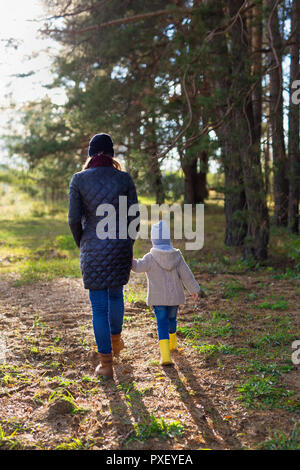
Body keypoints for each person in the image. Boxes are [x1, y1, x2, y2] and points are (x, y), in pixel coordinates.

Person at [68, 133, 139, 379]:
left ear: (91, 154)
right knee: (116, 293)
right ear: (111, 154)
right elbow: (134, 218)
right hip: (120, 244)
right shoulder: (124, 178)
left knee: (98, 306)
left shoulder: (78, 180)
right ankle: (116, 342)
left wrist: (83, 242)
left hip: (93, 248)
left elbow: (73, 219)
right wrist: (127, 244)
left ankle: (106, 365)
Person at [131, 220, 200, 366]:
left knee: (161, 323)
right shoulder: (177, 256)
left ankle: (166, 355)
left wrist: (130, 260)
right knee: (172, 320)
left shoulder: (150, 257)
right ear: (168, 239)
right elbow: (186, 274)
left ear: (153, 240)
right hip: (174, 298)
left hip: (158, 299)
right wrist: (193, 289)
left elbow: (138, 267)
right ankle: (173, 345)